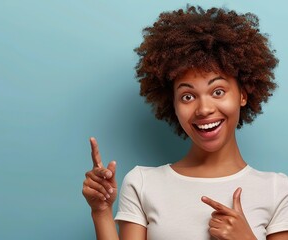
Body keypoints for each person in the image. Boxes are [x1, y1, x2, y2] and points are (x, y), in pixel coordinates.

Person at [82, 6, 288, 240]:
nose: (204, 109)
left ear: (243, 94)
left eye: (218, 91)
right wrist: (101, 212)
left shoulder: (277, 190)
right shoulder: (142, 183)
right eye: (187, 96)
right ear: (173, 104)